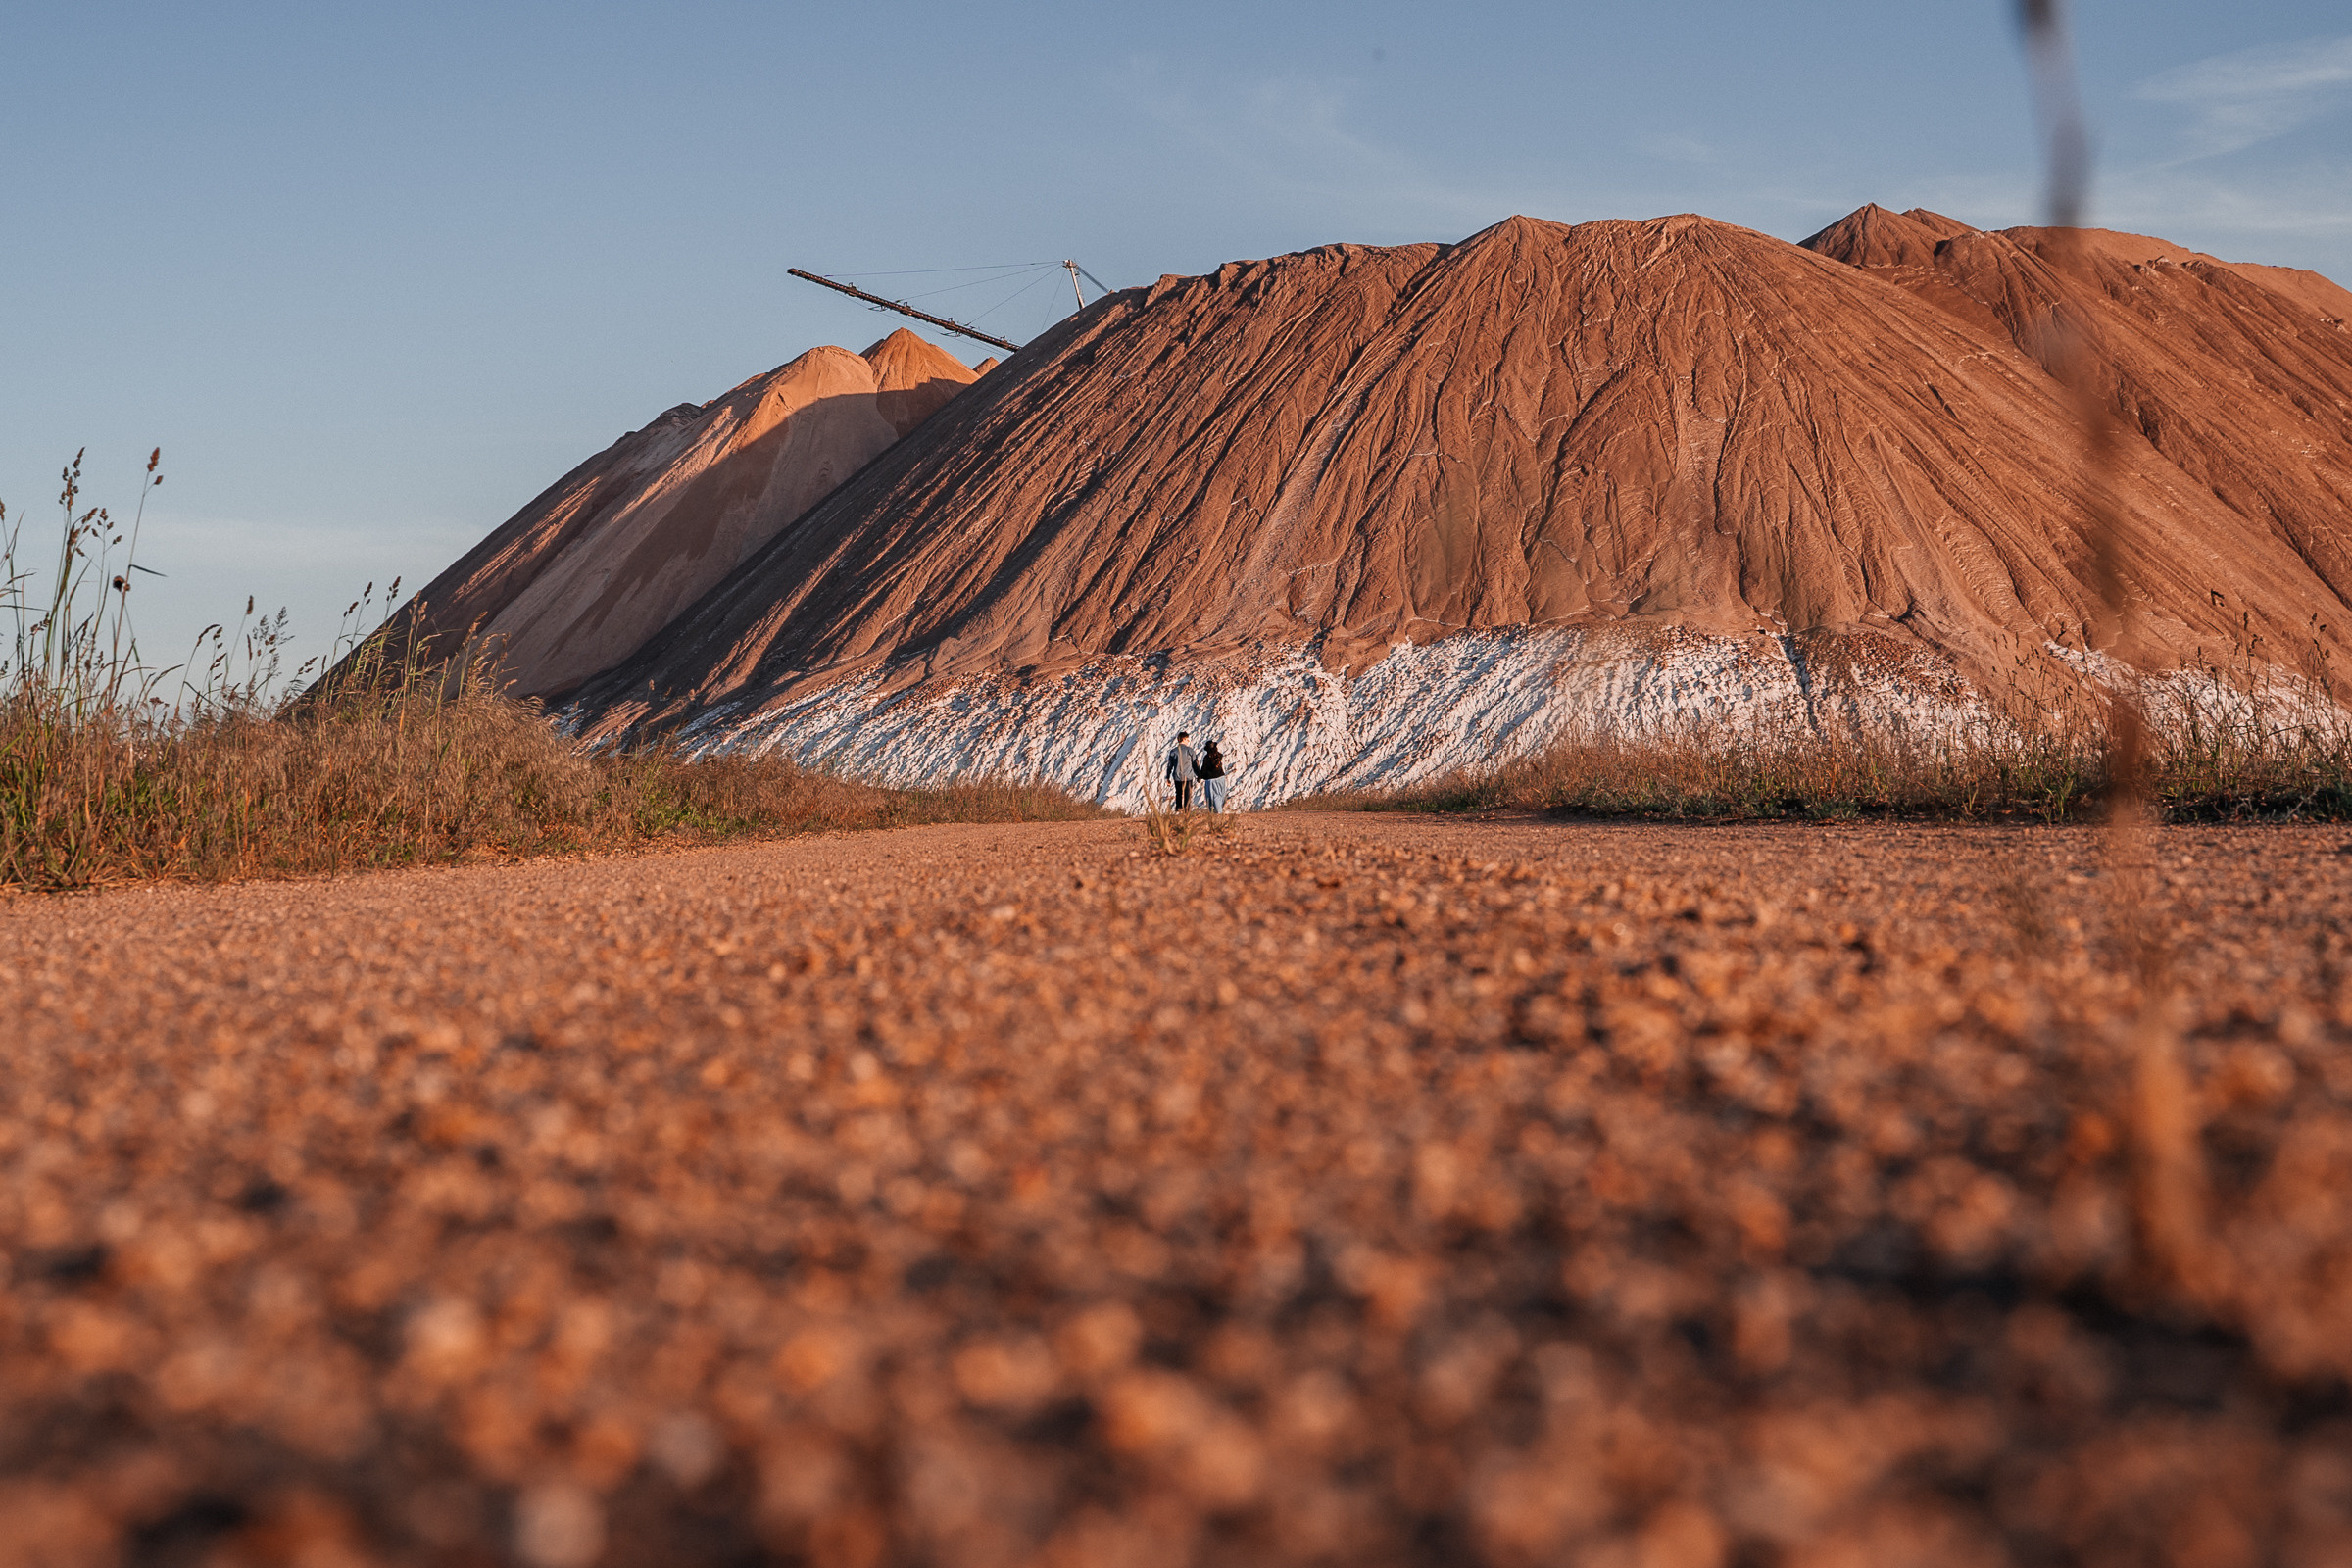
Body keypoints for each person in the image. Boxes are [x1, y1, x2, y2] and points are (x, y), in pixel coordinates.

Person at [1164, 730, 1200, 810]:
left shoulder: (1173, 751)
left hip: (1177, 776)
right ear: (1183, 739)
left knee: (1179, 793)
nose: (1188, 742)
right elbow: (1195, 764)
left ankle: (1179, 809)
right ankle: (1187, 811)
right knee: (1187, 794)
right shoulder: (1190, 750)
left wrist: (1168, 777)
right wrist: (1198, 775)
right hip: (1188, 776)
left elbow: (1170, 765)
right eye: (1187, 740)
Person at [1199, 739, 1230, 812]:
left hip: (1211, 780)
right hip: (1221, 778)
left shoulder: (1207, 758)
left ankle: (1215, 813)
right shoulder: (1219, 755)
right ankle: (1219, 811)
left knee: (1212, 798)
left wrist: (1200, 776)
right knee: (1219, 796)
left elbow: (1204, 770)